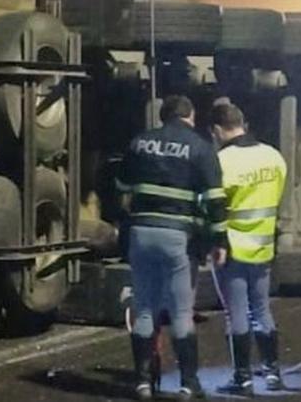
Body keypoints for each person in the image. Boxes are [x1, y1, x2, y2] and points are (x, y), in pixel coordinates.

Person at [120, 95, 228, 400]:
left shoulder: (140, 142)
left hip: (141, 234)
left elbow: (121, 187)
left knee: (144, 309)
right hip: (177, 236)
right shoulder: (200, 148)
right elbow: (215, 200)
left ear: (163, 116)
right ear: (189, 117)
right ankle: (187, 383)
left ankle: (142, 383)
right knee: (181, 313)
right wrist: (219, 241)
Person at [210, 102, 288, 394]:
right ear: (244, 123)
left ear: (218, 130)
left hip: (232, 249)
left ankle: (242, 378)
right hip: (264, 247)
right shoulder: (274, 157)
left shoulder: (222, 161)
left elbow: (215, 206)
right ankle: (273, 374)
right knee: (262, 310)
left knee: (236, 314)